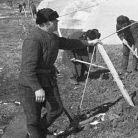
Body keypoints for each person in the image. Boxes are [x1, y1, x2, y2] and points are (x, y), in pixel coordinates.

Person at [18, 8, 101, 138]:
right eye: (54, 20)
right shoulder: (33, 40)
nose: (57, 22)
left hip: (47, 79)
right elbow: (27, 69)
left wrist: (89, 42)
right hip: (30, 85)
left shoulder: (53, 37)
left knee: (56, 109)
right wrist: (37, 88)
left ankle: (38, 131)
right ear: (46, 23)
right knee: (33, 118)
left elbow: (68, 43)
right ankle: (35, 133)